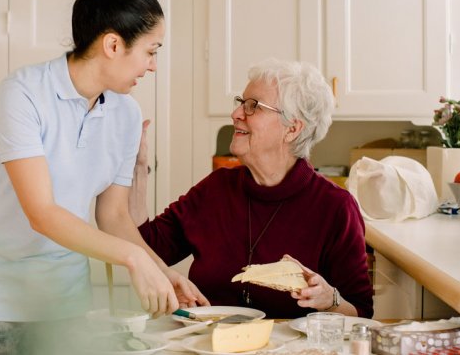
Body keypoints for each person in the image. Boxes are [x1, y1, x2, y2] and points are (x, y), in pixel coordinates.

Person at [0, 0, 207, 354]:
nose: (153, 66)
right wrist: (135, 261)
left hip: (64, 303)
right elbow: (42, 213)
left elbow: (112, 215)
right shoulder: (23, 94)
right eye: (152, 51)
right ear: (114, 44)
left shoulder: (126, 113)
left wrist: (161, 271)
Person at [130, 58, 374, 319]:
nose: (236, 114)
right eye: (240, 102)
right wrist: (137, 168)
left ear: (292, 128)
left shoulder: (335, 207)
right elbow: (145, 248)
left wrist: (330, 299)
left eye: (253, 106)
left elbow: (361, 314)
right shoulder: (216, 189)